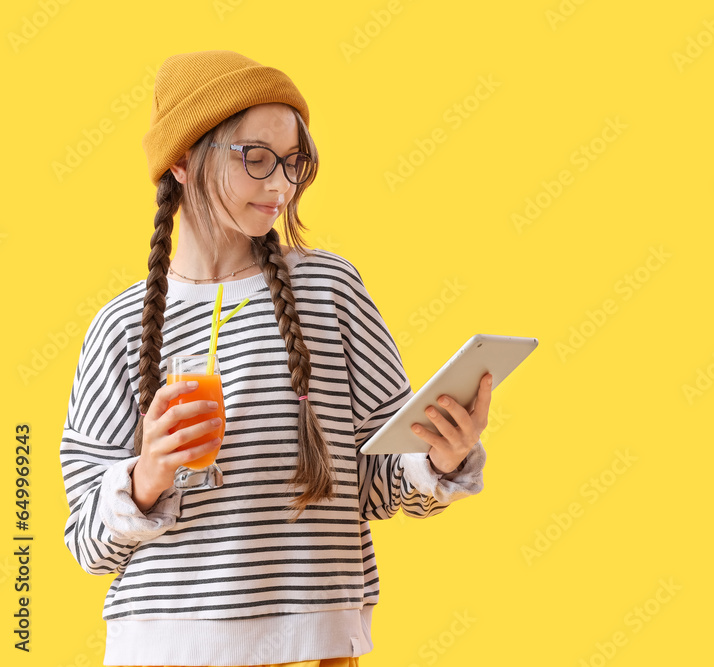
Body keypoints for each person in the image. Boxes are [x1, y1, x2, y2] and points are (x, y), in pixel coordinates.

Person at [59, 50, 492, 667]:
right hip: (167, 648)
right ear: (182, 160)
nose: (280, 187)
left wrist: (441, 460)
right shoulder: (121, 326)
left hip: (310, 643)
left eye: (292, 164)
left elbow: (376, 483)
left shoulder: (328, 292)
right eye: (256, 159)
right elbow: (87, 543)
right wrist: (147, 476)